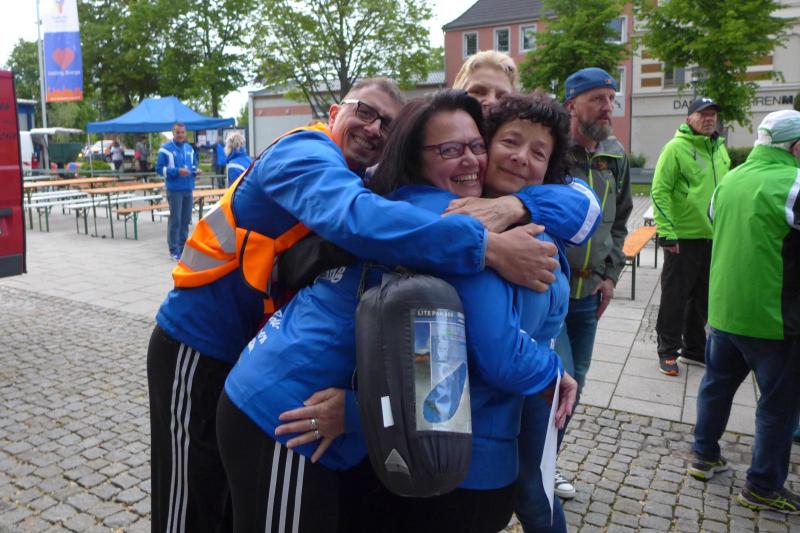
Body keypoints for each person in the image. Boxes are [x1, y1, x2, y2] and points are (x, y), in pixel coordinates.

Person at [147, 78, 589, 533]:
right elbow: (354, 217)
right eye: (364, 111)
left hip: (271, 372)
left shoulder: (385, 185)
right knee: (190, 503)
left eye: (477, 146)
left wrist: (516, 204)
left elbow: (584, 204)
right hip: (208, 347)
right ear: (336, 112)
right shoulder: (306, 152)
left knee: (222, 508)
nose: (374, 128)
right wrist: (486, 246)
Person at [688, 109, 800, 513]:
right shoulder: (794, 183)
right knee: (778, 405)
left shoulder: (731, 178)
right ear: (795, 147)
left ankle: (704, 455)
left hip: (724, 310)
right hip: (774, 316)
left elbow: (716, 221)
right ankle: (763, 485)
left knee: (716, 386)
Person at [651, 97, 731, 376]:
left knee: (703, 296)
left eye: (713, 115)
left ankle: (695, 349)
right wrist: (667, 232)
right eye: (702, 114)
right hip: (682, 236)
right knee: (675, 296)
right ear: (689, 119)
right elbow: (659, 190)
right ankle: (667, 351)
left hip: (712, 235)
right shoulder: (676, 148)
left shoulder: (719, 149)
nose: (709, 119)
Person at [157, 122, 199, 261]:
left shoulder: (189, 148)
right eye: (177, 132)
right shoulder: (165, 149)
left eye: (182, 132)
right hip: (174, 190)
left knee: (186, 219)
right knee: (176, 220)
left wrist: (196, 171)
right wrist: (176, 171)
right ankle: (174, 250)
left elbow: (193, 165)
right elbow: (159, 169)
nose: (180, 135)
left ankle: (183, 247)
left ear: (185, 133)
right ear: (173, 133)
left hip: (188, 188)